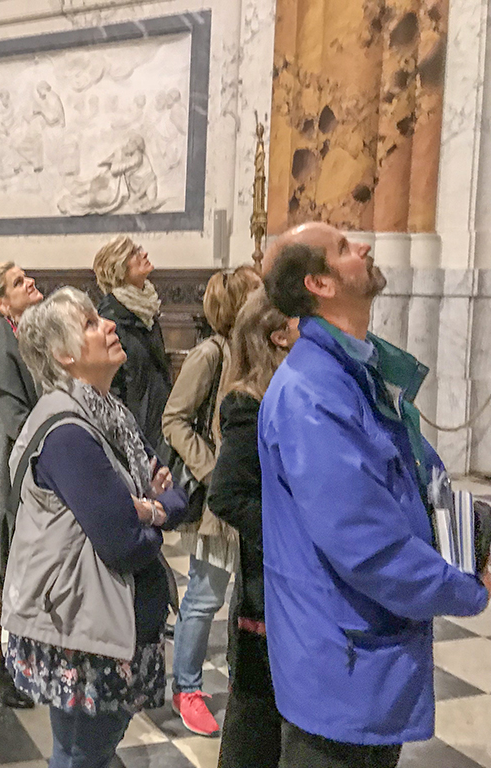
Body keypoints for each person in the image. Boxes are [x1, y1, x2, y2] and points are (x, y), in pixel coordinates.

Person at [259, 222, 491, 768]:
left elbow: (414, 480)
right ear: (319, 284)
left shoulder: (355, 371)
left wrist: (474, 530)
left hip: (369, 656)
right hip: (341, 664)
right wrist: (468, 589)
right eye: (343, 248)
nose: (363, 247)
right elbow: (367, 545)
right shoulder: (311, 394)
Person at [2, 287, 188, 768]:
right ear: (64, 356)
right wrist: (151, 510)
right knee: (81, 752)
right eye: (89, 323)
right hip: (82, 629)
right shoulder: (67, 431)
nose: (107, 324)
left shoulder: (110, 414)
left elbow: (174, 491)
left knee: (93, 749)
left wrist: (149, 505)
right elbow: (123, 542)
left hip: (104, 620)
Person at [160, 264, 261, 737]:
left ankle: (250, 682)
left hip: (261, 498)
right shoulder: (211, 354)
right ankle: (187, 688)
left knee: (252, 594)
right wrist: (213, 469)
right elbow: (174, 419)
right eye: (259, 293)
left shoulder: (262, 355)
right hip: (222, 502)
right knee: (204, 596)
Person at [206, 287, 299, 768]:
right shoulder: (249, 402)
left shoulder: (289, 392)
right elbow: (227, 495)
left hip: (287, 585)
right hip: (265, 588)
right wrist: (296, 534)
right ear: (279, 336)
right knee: (252, 725)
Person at [0, 261, 43, 708]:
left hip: (29, 459)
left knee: (20, 562)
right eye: (19, 282)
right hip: (4, 467)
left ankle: (16, 658)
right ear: (1, 302)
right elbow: (18, 420)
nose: (30, 282)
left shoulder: (34, 335)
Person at [93, 235, 172, 450]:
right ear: (118, 268)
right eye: (134, 253)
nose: (144, 254)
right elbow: (110, 388)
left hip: (159, 425)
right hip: (136, 434)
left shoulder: (146, 310)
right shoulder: (111, 318)